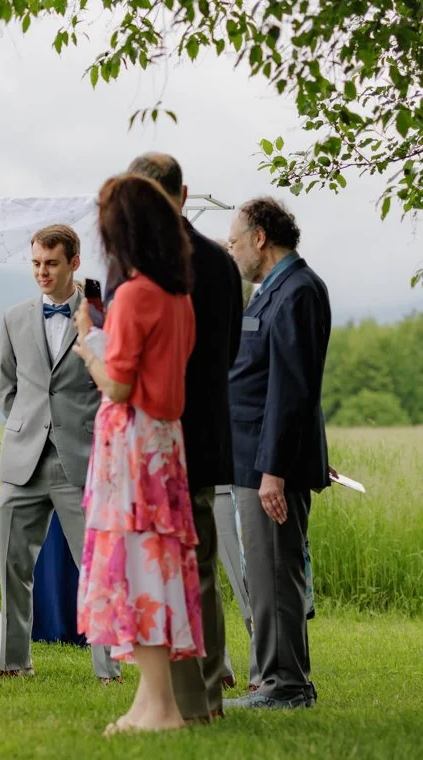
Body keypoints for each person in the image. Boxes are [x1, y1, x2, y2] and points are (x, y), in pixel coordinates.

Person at [72, 173, 199, 735]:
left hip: (133, 444)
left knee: (139, 565)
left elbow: (119, 386)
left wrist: (89, 346)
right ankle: (152, 702)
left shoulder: (135, 296)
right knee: (156, 562)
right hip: (165, 443)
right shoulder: (179, 297)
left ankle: (161, 707)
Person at [125, 152, 244, 723]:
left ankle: (176, 705)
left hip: (161, 439)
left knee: (164, 573)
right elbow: (233, 353)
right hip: (207, 436)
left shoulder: (152, 269)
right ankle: (208, 701)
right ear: (185, 192)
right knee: (202, 572)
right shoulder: (223, 263)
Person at [0, 225, 119, 682]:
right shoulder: (12, 317)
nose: (42, 272)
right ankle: (13, 663)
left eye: (51, 263)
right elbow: (7, 389)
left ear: (74, 263)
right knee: (12, 566)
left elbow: (113, 384)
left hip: (82, 460)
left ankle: (109, 669)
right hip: (22, 460)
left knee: (97, 568)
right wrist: (29, 427)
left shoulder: (101, 314)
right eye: (35, 264)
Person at [225, 197, 331, 710]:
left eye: (234, 240)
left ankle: (286, 686)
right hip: (254, 458)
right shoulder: (273, 289)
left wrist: (274, 470)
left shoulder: (298, 291)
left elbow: (292, 390)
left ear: (260, 238)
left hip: (268, 467)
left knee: (273, 574)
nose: (232, 249)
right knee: (262, 575)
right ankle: (275, 680)